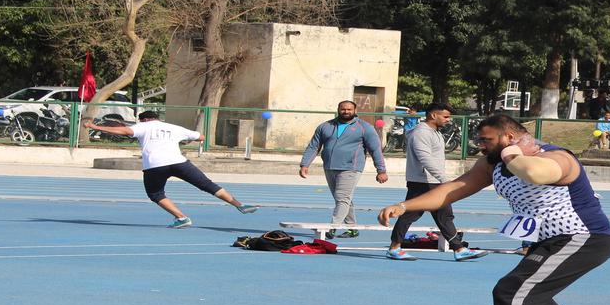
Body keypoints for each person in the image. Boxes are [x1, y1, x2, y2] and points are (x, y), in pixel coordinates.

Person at [377, 114, 610, 305]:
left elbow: (535, 174)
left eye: (487, 140)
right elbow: (453, 190)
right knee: (531, 296)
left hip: (583, 237)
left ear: (510, 138)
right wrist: (404, 206)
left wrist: (513, 154)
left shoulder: (557, 157)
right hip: (550, 240)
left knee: (511, 293)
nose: (480, 145)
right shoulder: (493, 165)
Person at [83, 112, 257, 228]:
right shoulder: (174, 128)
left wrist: (95, 127)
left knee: (156, 194)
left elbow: (124, 131)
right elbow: (201, 137)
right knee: (206, 184)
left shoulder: (143, 126)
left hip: (155, 166)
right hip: (179, 161)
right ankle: (239, 205)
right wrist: (180, 139)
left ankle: (182, 218)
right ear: (157, 118)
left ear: (144, 120)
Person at [386, 103, 488, 262]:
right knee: (411, 214)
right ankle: (394, 248)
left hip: (433, 181)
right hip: (423, 182)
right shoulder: (421, 133)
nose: (448, 120)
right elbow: (424, 157)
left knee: (444, 215)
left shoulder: (435, 132)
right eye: (445, 116)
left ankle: (459, 249)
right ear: (433, 115)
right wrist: (444, 180)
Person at [298, 100, 389, 238]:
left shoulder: (364, 127)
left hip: (351, 168)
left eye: (349, 109)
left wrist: (381, 170)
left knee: (342, 198)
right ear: (338, 109)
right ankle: (352, 227)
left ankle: (332, 227)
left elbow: (375, 149)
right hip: (329, 167)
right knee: (342, 199)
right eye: (343, 109)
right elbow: (313, 146)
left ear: (355, 111)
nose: (346, 112)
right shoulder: (325, 126)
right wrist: (305, 164)